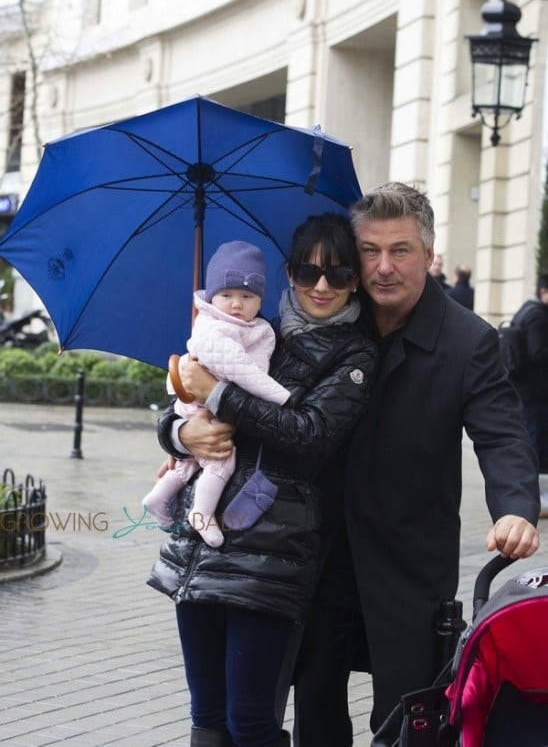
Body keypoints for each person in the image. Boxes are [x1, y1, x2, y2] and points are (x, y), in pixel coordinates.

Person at [290, 182, 540, 745]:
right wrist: (187, 432)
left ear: (428, 256)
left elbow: (502, 437)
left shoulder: (468, 340)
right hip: (324, 553)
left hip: (409, 564)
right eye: (370, 251)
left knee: (408, 720)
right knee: (315, 708)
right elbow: (260, 394)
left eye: (399, 251)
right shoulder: (330, 322)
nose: (382, 267)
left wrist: (516, 508)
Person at [147, 213, 378, 747]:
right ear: (289, 274)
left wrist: (219, 393)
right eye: (308, 271)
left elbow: (308, 432)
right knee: (206, 715)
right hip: (200, 543)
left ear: (354, 281)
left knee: (250, 720)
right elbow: (178, 407)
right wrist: (180, 438)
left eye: (339, 274)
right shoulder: (251, 325)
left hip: (269, 549)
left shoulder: (355, 353)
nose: (322, 286)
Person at [141, 240, 290, 546]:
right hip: (196, 405)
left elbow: (257, 366)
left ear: (260, 301)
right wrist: (280, 396)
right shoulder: (208, 324)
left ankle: (158, 497)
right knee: (222, 459)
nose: (236, 304)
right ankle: (202, 513)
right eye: (226, 295)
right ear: (212, 297)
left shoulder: (261, 331)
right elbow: (249, 376)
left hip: (216, 404)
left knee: (191, 461)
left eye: (247, 296)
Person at [510, 272, 548, 514]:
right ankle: (535, 500)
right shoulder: (536, 316)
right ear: (544, 291)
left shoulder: (527, 309)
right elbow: (537, 353)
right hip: (535, 393)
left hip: (526, 391)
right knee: (535, 447)